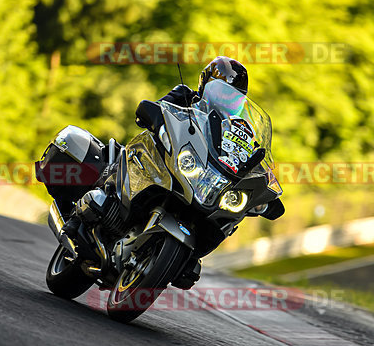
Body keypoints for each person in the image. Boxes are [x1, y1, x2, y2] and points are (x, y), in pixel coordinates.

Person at [62, 56, 250, 240]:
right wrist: (154, 114)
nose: (226, 100)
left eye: (234, 97)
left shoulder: (234, 130)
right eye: (222, 92)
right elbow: (157, 108)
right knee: (133, 153)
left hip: (196, 177)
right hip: (161, 156)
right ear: (206, 84)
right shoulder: (185, 95)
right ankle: (79, 217)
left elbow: (243, 155)